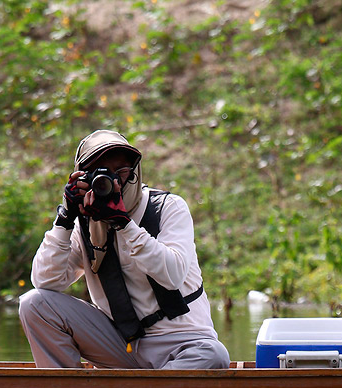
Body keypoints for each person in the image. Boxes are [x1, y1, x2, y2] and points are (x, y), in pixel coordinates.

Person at [19, 129, 230, 370]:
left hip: (182, 344)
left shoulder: (168, 208)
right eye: (102, 173)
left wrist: (124, 224)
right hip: (122, 345)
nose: (114, 181)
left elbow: (172, 276)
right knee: (33, 304)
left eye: (120, 171)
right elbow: (46, 282)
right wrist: (65, 219)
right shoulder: (85, 224)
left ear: (135, 173)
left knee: (214, 355)